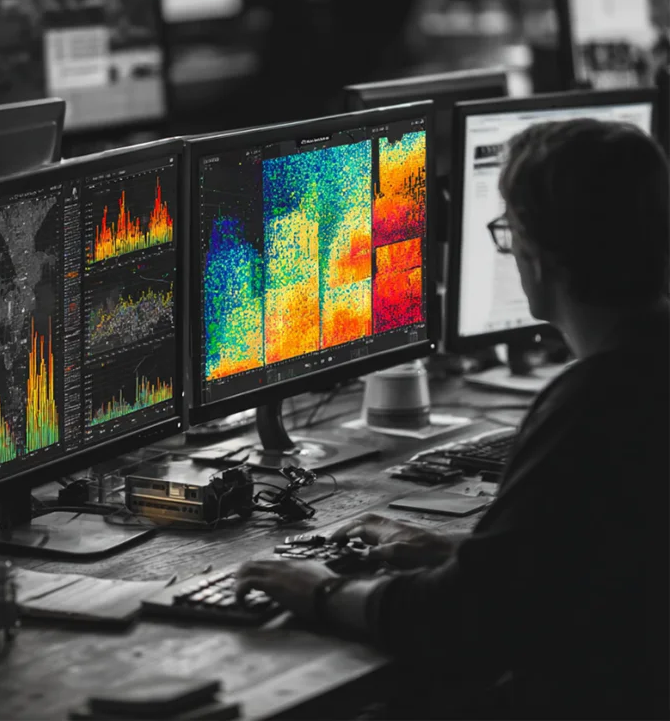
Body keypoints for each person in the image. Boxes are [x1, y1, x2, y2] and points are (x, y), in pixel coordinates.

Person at [236, 118, 670, 719]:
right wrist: (461, 551)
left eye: (507, 232)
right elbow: (582, 554)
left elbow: (464, 623)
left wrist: (322, 591)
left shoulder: (596, 400)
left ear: (536, 258)